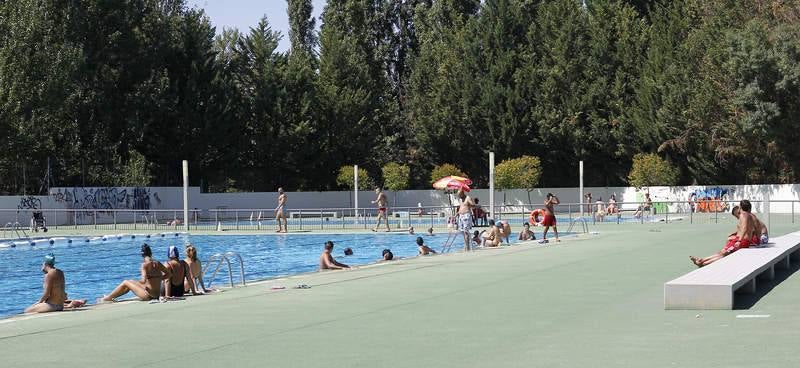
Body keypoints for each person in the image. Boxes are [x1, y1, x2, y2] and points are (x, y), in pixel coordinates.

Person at [690, 201, 758, 267]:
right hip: (740, 239)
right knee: (722, 252)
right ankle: (702, 260)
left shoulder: (744, 215)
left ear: (740, 207)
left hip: (742, 241)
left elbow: (744, 228)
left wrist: (739, 241)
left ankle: (703, 263)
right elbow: (746, 229)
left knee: (724, 254)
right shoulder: (746, 216)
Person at [102, 244, 171, 302]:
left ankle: (109, 298)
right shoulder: (158, 263)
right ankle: (111, 297)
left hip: (148, 295)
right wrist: (159, 278)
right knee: (130, 282)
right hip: (157, 295)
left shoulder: (144, 265)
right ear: (151, 253)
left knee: (126, 282)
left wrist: (138, 282)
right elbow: (169, 274)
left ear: (142, 255)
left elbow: (143, 281)